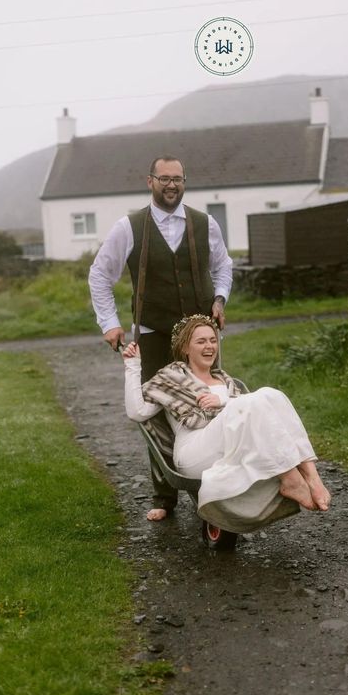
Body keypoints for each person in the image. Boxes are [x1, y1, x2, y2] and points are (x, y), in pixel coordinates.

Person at [89, 155, 233, 520]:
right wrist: (109, 322)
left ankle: (217, 482)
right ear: (150, 181)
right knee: (154, 411)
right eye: (164, 178)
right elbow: (100, 275)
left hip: (200, 333)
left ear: (185, 181)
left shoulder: (204, 223)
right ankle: (164, 495)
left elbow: (223, 265)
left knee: (210, 402)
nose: (172, 185)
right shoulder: (130, 226)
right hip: (152, 333)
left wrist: (219, 298)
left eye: (178, 179)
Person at [122, 314, 331, 529]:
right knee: (246, 403)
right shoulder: (171, 378)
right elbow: (137, 412)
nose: (209, 346)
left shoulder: (225, 380)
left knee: (271, 394)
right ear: (185, 348)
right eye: (201, 341)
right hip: (194, 451)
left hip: (231, 445)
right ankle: (291, 479)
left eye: (213, 340)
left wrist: (222, 400)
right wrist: (132, 366)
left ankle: (312, 477)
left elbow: (251, 414)